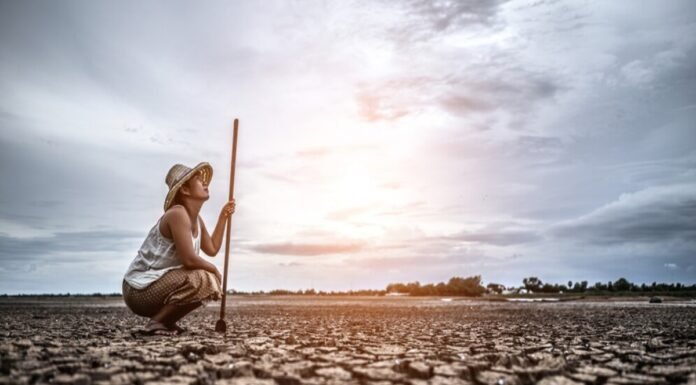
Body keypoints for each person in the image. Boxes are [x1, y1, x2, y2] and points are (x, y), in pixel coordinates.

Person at [122, 162, 236, 335]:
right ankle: (156, 323)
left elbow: (212, 248)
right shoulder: (178, 214)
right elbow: (189, 259)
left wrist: (223, 217)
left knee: (207, 278)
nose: (205, 183)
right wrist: (214, 270)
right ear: (185, 190)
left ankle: (166, 321)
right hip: (138, 290)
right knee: (204, 278)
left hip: (157, 284)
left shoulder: (197, 220)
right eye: (199, 180)